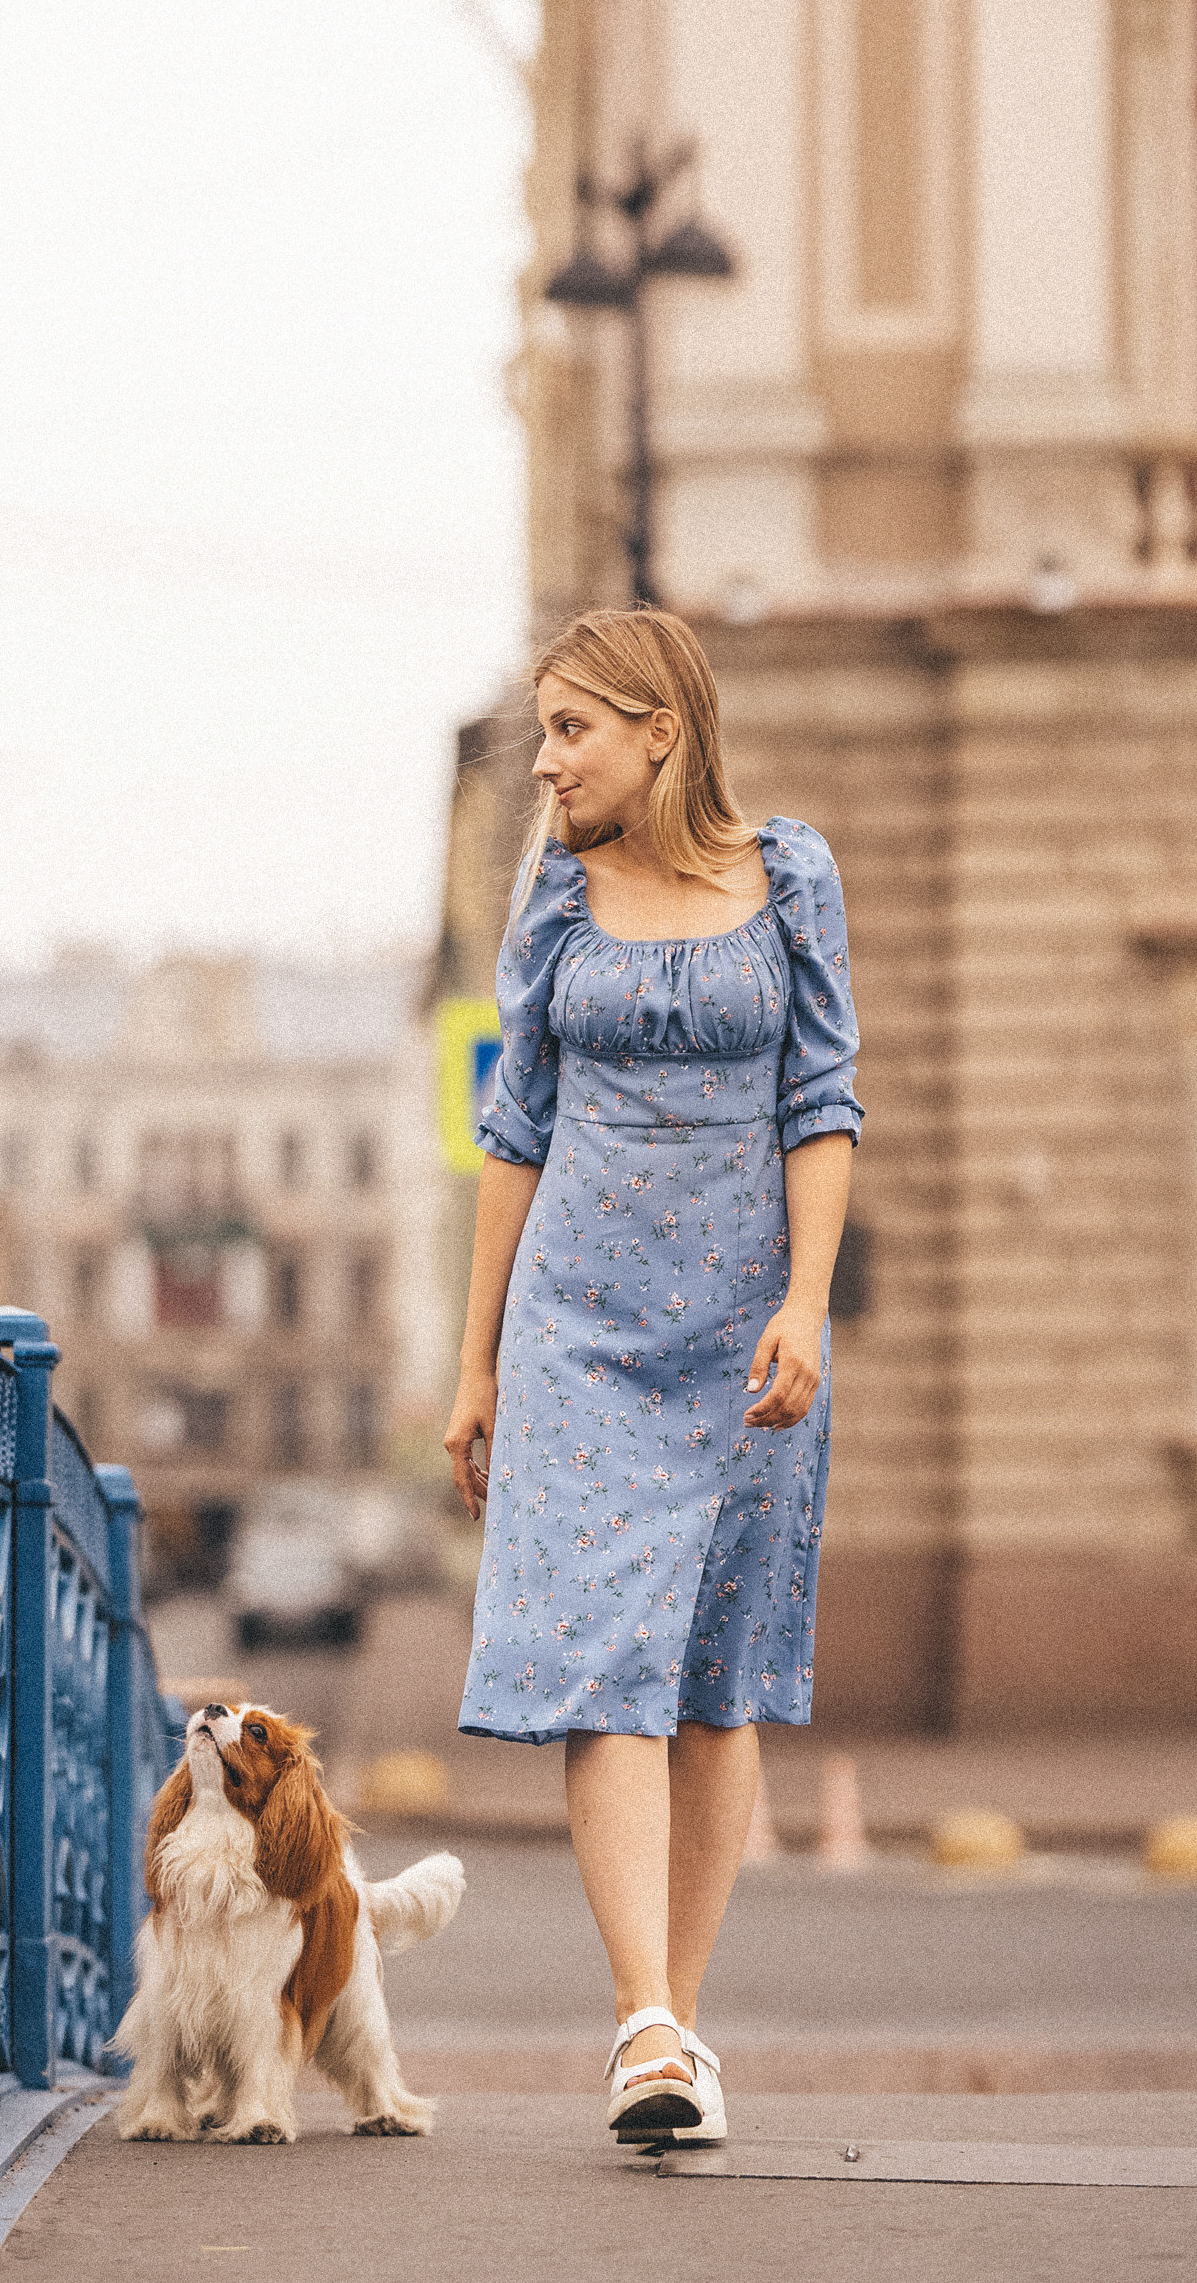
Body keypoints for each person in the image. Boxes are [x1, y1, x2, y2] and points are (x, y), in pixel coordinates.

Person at [444, 607, 860, 2147]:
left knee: (716, 1675)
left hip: (747, 1329)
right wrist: (477, 1359)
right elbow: (513, 1135)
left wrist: (808, 1304)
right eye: (542, 730)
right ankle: (641, 2026)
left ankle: (678, 2020)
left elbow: (824, 1098)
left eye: (571, 729)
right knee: (606, 1665)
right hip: (582, 1333)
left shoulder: (792, 874)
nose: (546, 762)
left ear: (659, 731)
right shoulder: (553, 898)